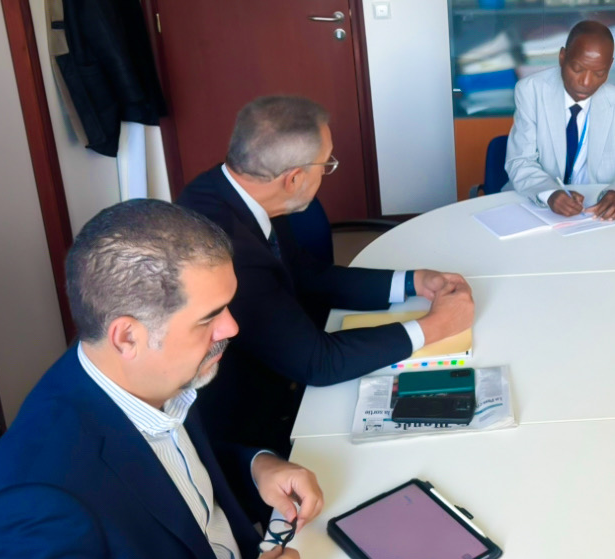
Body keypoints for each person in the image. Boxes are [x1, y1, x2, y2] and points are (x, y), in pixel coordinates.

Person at [0, 200, 324, 559]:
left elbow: (162, 469)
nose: (232, 327)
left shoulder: (146, 371)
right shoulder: (34, 505)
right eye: (210, 317)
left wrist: (256, 466)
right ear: (127, 337)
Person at [176, 95, 474, 456]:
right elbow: (318, 363)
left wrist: (411, 281)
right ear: (294, 178)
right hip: (256, 422)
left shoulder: (231, 188)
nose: (329, 171)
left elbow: (304, 273)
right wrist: (435, 327)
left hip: (283, 354)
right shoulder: (231, 251)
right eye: (326, 164)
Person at [504, 20, 615, 221]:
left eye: (599, 73)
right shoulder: (531, 91)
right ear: (562, 57)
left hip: (592, 213)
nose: (586, 82)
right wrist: (550, 193)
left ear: (609, 67)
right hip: (536, 209)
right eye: (577, 69)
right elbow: (520, 160)